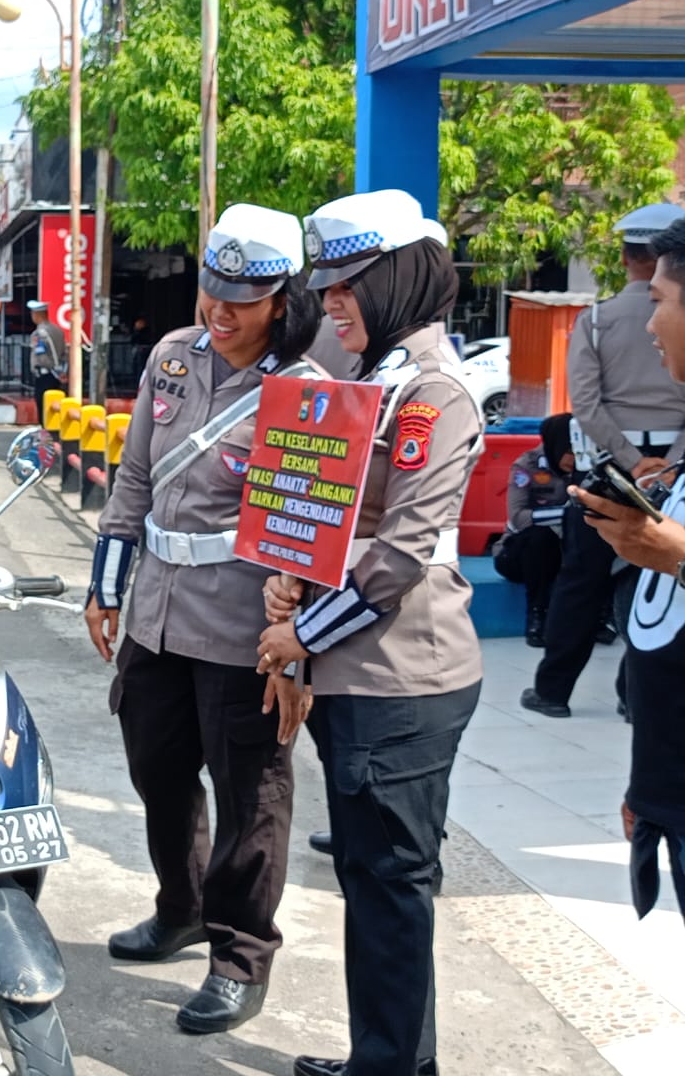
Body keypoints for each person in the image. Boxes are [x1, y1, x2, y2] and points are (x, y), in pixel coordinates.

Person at [257, 189, 484, 1076]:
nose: (333, 300)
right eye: (331, 283)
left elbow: (398, 555)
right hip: (355, 669)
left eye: (349, 283)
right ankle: (384, 1059)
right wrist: (285, 580)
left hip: (403, 680)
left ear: (394, 278)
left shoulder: (432, 395)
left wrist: (300, 634)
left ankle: (391, 1066)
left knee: (391, 885)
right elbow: (323, 514)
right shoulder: (373, 378)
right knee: (369, 878)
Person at [86, 204, 324, 1034]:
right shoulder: (171, 359)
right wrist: (106, 584)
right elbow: (135, 478)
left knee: (249, 797)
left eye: (243, 300)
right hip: (156, 612)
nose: (218, 314)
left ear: (283, 301)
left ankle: (239, 953)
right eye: (211, 293)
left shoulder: (310, 389)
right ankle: (180, 907)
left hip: (243, 626)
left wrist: (297, 651)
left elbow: (315, 527)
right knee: (157, 771)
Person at [522, 202, 685, 718]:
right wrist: (669, 463)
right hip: (677, 467)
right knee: (656, 584)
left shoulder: (596, 321)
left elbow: (585, 404)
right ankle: (632, 694)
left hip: (614, 472)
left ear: (625, 254)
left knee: (579, 583)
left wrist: (632, 460)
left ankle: (552, 692)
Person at [569, 213, 685, 926]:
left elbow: (586, 403)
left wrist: (675, 554)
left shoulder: (596, 319)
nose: (650, 324)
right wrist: (649, 783)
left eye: (664, 303)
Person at [493, 413, 575, 646]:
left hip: (565, 552)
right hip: (519, 554)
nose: (573, 458)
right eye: (568, 451)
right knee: (540, 538)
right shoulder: (526, 466)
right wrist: (568, 514)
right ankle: (537, 615)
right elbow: (518, 517)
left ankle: (603, 614)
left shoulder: (584, 467)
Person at [28, 298, 66, 425]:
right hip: (58, 374)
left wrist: (51, 369)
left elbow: (42, 356)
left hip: (45, 374)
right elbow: (64, 353)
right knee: (55, 408)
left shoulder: (39, 334)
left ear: (37, 315)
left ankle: (47, 439)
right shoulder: (58, 330)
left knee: (44, 409)